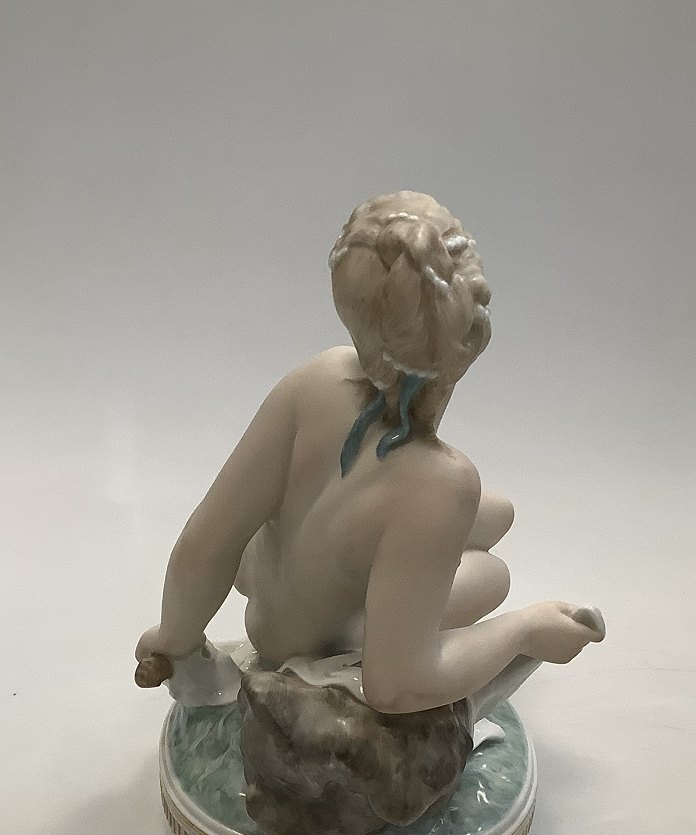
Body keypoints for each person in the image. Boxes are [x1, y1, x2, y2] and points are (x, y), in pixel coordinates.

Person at [136, 191, 602, 714]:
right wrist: (524, 631)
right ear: (472, 335)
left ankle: (371, 577)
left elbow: (208, 539)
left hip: (268, 583)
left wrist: (173, 635)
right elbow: (398, 686)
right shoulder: (441, 482)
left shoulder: (318, 377)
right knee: (494, 576)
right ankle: (355, 627)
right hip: (313, 641)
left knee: (498, 513)